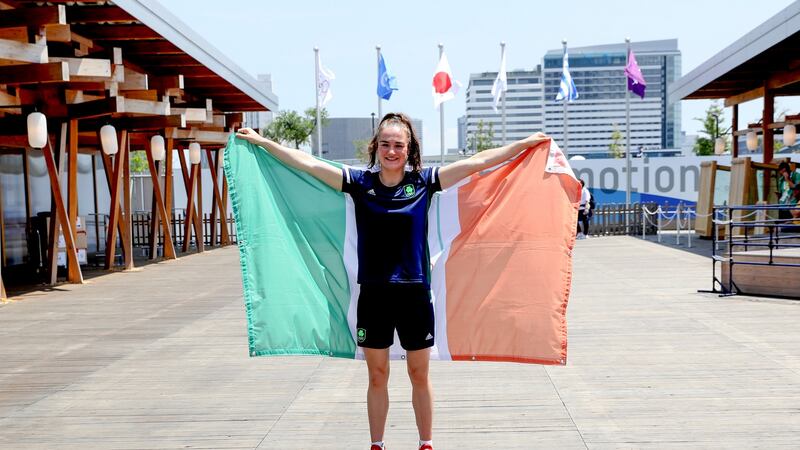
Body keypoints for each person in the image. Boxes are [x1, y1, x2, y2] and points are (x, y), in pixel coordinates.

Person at [235, 113, 549, 450]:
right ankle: (377, 444)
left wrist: (524, 144)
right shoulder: (358, 183)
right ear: (376, 147)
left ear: (409, 148)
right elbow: (308, 164)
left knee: (419, 375)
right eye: (385, 144)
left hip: (414, 295)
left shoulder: (426, 181)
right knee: (377, 375)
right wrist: (264, 143)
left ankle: (426, 443)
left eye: (398, 144)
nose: (391, 150)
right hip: (373, 296)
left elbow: (477, 162)